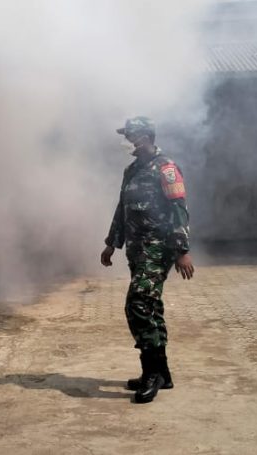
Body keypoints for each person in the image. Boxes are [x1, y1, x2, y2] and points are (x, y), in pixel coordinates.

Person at [101, 116, 195, 404]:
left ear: (145, 137)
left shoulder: (165, 168)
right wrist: (111, 244)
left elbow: (179, 208)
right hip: (137, 250)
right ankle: (161, 373)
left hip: (158, 248)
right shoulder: (131, 170)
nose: (127, 140)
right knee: (151, 305)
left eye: (130, 135)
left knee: (138, 304)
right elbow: (123, 208)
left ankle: (152, 374)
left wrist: (182, 250)